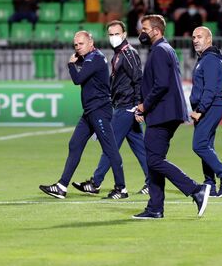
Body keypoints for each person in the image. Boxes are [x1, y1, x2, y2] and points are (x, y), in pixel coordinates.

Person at [132, 14, 211, 219]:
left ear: (156, 31)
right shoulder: (165, 49)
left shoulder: (159, 51)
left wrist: (144, 105)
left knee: (155, 160)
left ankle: (196, 190)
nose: (141, 32)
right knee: (154, 160)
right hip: (167, 112)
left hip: (162, 113)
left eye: (145, 29)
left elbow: (161, 85)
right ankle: (155, 208)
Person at [39, 31, 128, 200]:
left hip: (99, 110)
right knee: (74, 144)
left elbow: (78, 79)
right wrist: (77, 60)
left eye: (81, 44)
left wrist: (71, 64)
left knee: (110, 149)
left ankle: (121, 188)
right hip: (90, 111)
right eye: (75, 45)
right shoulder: (91, 57)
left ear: (90, 42)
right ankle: (61, 186)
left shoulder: (95, 58)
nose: (78, 47)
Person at [72, 21, 150, 196]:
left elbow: (138, 79)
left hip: (127, 106)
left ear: (124, 34)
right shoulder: (119, 54)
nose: (113, 37)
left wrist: (138, 106)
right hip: (123, 105)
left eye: (116, 33)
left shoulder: (128, 53)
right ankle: (152, 182)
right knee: (140, 147)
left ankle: (96, 182)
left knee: (110, 145)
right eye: (110, 34)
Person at [190, 26, 222, 197]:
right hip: (209, 108)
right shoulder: (206, 58)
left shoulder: (209, 59)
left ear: (209, 39)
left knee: (199, 145)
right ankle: (209, 184)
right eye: (194, 37)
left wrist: (200, 110)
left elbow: (210, 89)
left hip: (210, 108)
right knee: (207, 146)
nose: (195, 40)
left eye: (200, 37)